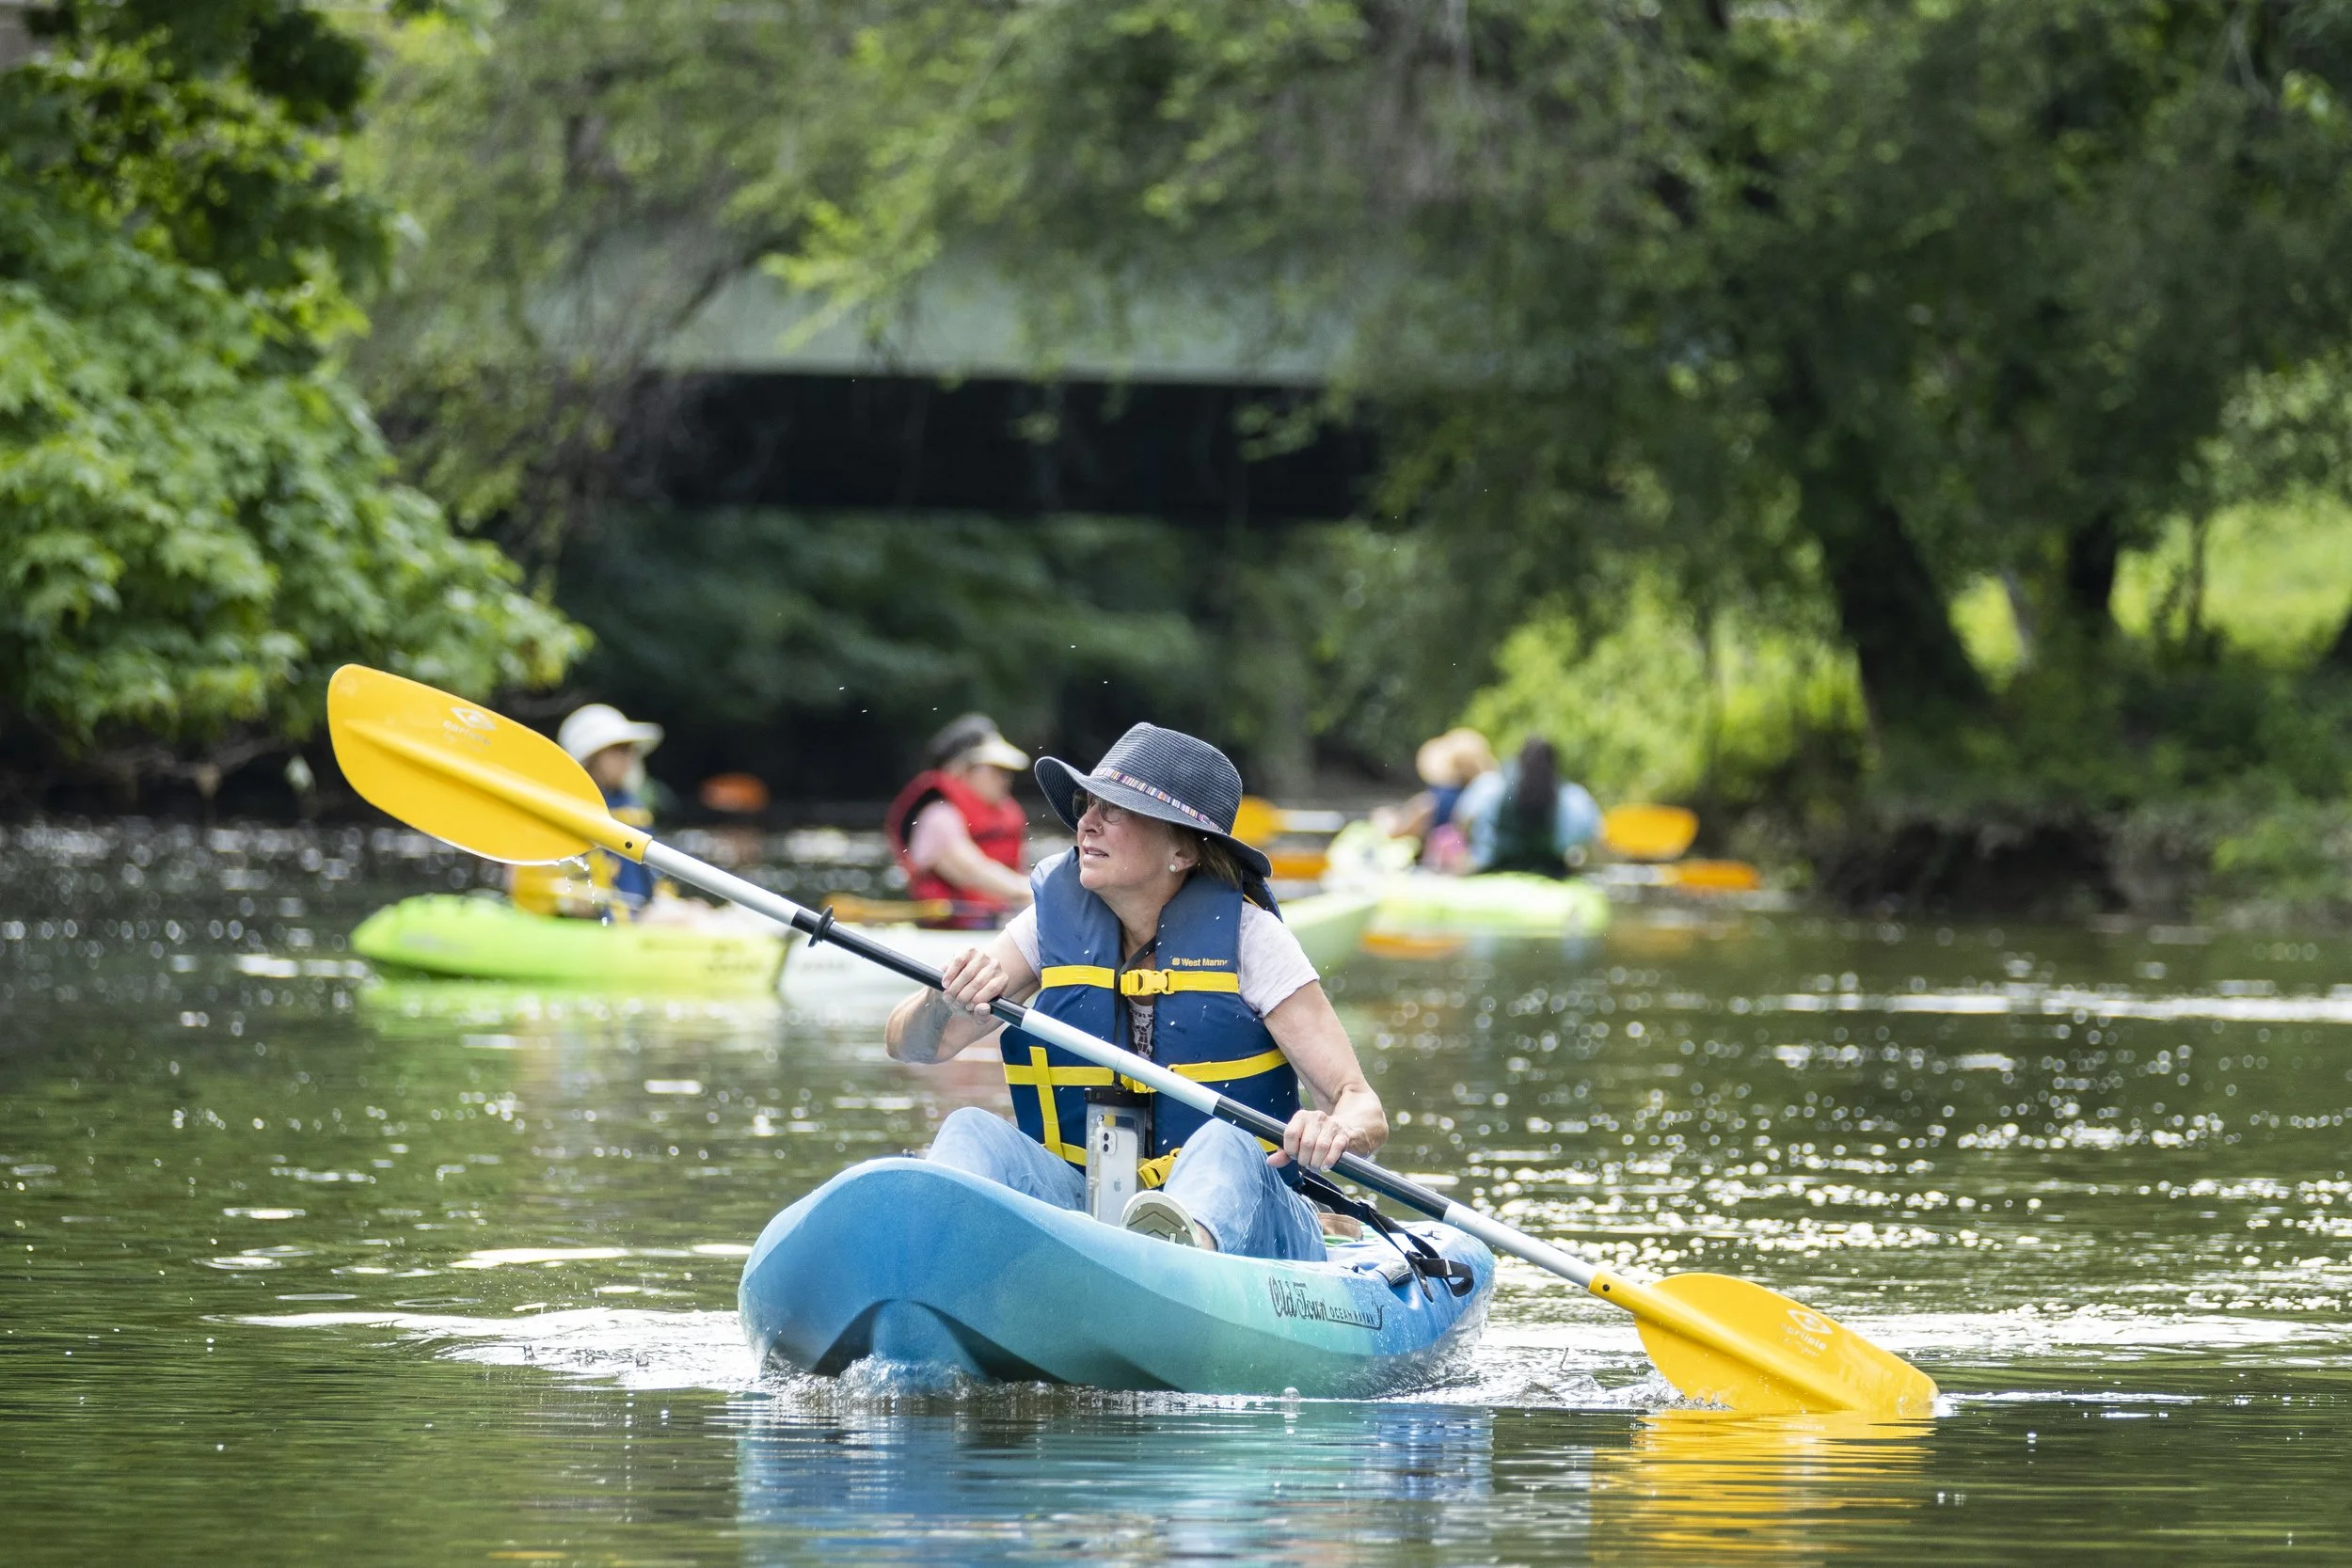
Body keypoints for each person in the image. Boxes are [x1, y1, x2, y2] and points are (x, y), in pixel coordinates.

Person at [882, 723, 1387, 1259]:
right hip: (1094, 1207)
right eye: (1087, 803)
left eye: (1115, 810)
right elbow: (913, 1045)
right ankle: (926, 1259)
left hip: (1245, 1227)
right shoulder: (1049, 926)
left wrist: (1329, 1131)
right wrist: (942, 1002)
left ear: (1183, 852)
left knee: (1224, 1140)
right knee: (971, 1130)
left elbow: (1362, 1109)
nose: (1088, 823)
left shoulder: (1251, 939)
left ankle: (1174, 1255)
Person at [512, 702, 696, 922]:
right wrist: (569, 900)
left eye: (629, 750)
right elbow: (528, 881)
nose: (628, 759)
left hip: (637, 921)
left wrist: (670, 905)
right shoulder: (559, 810)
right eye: (618, 750)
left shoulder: (633, 810)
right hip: (597, 923)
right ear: (592, 757)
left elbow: (654, 877)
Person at [884, 714, 1033, 927]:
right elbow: (974, 872)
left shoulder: (1006, 816)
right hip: (951, 931)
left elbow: (1016, 875)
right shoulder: (939, 817)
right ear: (960, 769)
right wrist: (1038, 893)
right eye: (995, 769)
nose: (1005, 779)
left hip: (997, 923)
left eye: (1007, 772)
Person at [1456, 736, 1601, 878]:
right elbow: (1594, 839)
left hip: (1495, 871)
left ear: (1517, 761)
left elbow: (1462, 824)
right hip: (1552, 875)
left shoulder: (1490, 786)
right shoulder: (1574, 797)